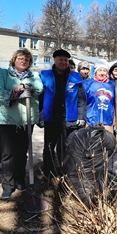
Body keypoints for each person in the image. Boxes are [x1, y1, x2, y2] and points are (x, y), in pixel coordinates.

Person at [0, 48, 43, 198]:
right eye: (20, 59)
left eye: (26, 60)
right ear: (14, 59)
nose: (23, 61)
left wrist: (26, 87)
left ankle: (20, 180)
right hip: (8, 119)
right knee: (8, 154)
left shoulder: (34, 75)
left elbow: (39, 88)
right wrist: (14, 95)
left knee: (22, 152)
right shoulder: (3, 73)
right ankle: (8, 184)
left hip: (27, 119)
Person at [40, 49, 86, 178]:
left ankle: (66, 173)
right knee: (49, 148)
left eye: (66, 60)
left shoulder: (75, 77)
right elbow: (39, 98)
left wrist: (82, 116)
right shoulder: (45, 75)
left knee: (68, 148)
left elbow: (81, 99)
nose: (63, 62)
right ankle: (48, 174)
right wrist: (40, 116)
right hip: (51, 118)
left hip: (69, 118)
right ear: (54, 60)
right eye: (60, 59)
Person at [83, 62, 116, 133]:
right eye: (100, 70)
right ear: (95, 72)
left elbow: (115, 103)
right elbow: (82, 101)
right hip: (91, 120)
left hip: (107, 120)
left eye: (104, 71)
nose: (102, 73)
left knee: (107, 142)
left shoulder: (112, 85)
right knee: (91, 143)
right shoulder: (88, 84)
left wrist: (115, 121)